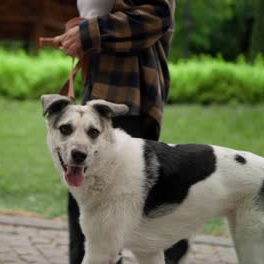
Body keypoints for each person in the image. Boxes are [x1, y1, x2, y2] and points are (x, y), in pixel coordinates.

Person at [55, 0, 183, 263]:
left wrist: (88, 33)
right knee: (85, 197)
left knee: (117, 199)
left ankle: (174, 243)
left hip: (129, 94)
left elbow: (157, 15)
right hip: (101, 83)